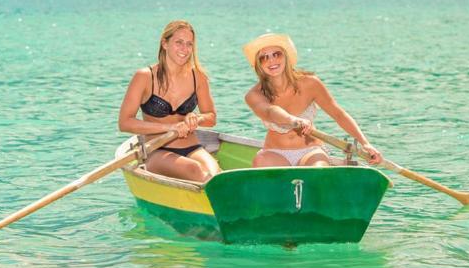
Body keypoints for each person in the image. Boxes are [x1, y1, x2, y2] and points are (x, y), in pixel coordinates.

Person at [243, 32, 383, 168]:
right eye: (264, 57)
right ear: (258, 64)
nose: (271, 60)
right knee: (261, 162)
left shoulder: (310, 83)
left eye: (276, 54)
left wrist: (365, 143)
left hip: (310, 151)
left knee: (318, 170)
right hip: (275, 153)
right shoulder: (254, 95)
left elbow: (339, 114)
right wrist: (294, 120)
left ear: (286, 56)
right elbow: (270, 112)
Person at [119, 20, 220, 182]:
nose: (184, 49)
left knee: (216, 177)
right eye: (179, 42)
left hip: (192, 147)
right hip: (157, 151)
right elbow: (124, 123)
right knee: (194, 169)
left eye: (189, 44)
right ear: (164, 43)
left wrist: (196, 118)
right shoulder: (145, 77)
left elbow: (211, 117)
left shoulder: (198, 77)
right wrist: (169, 127)